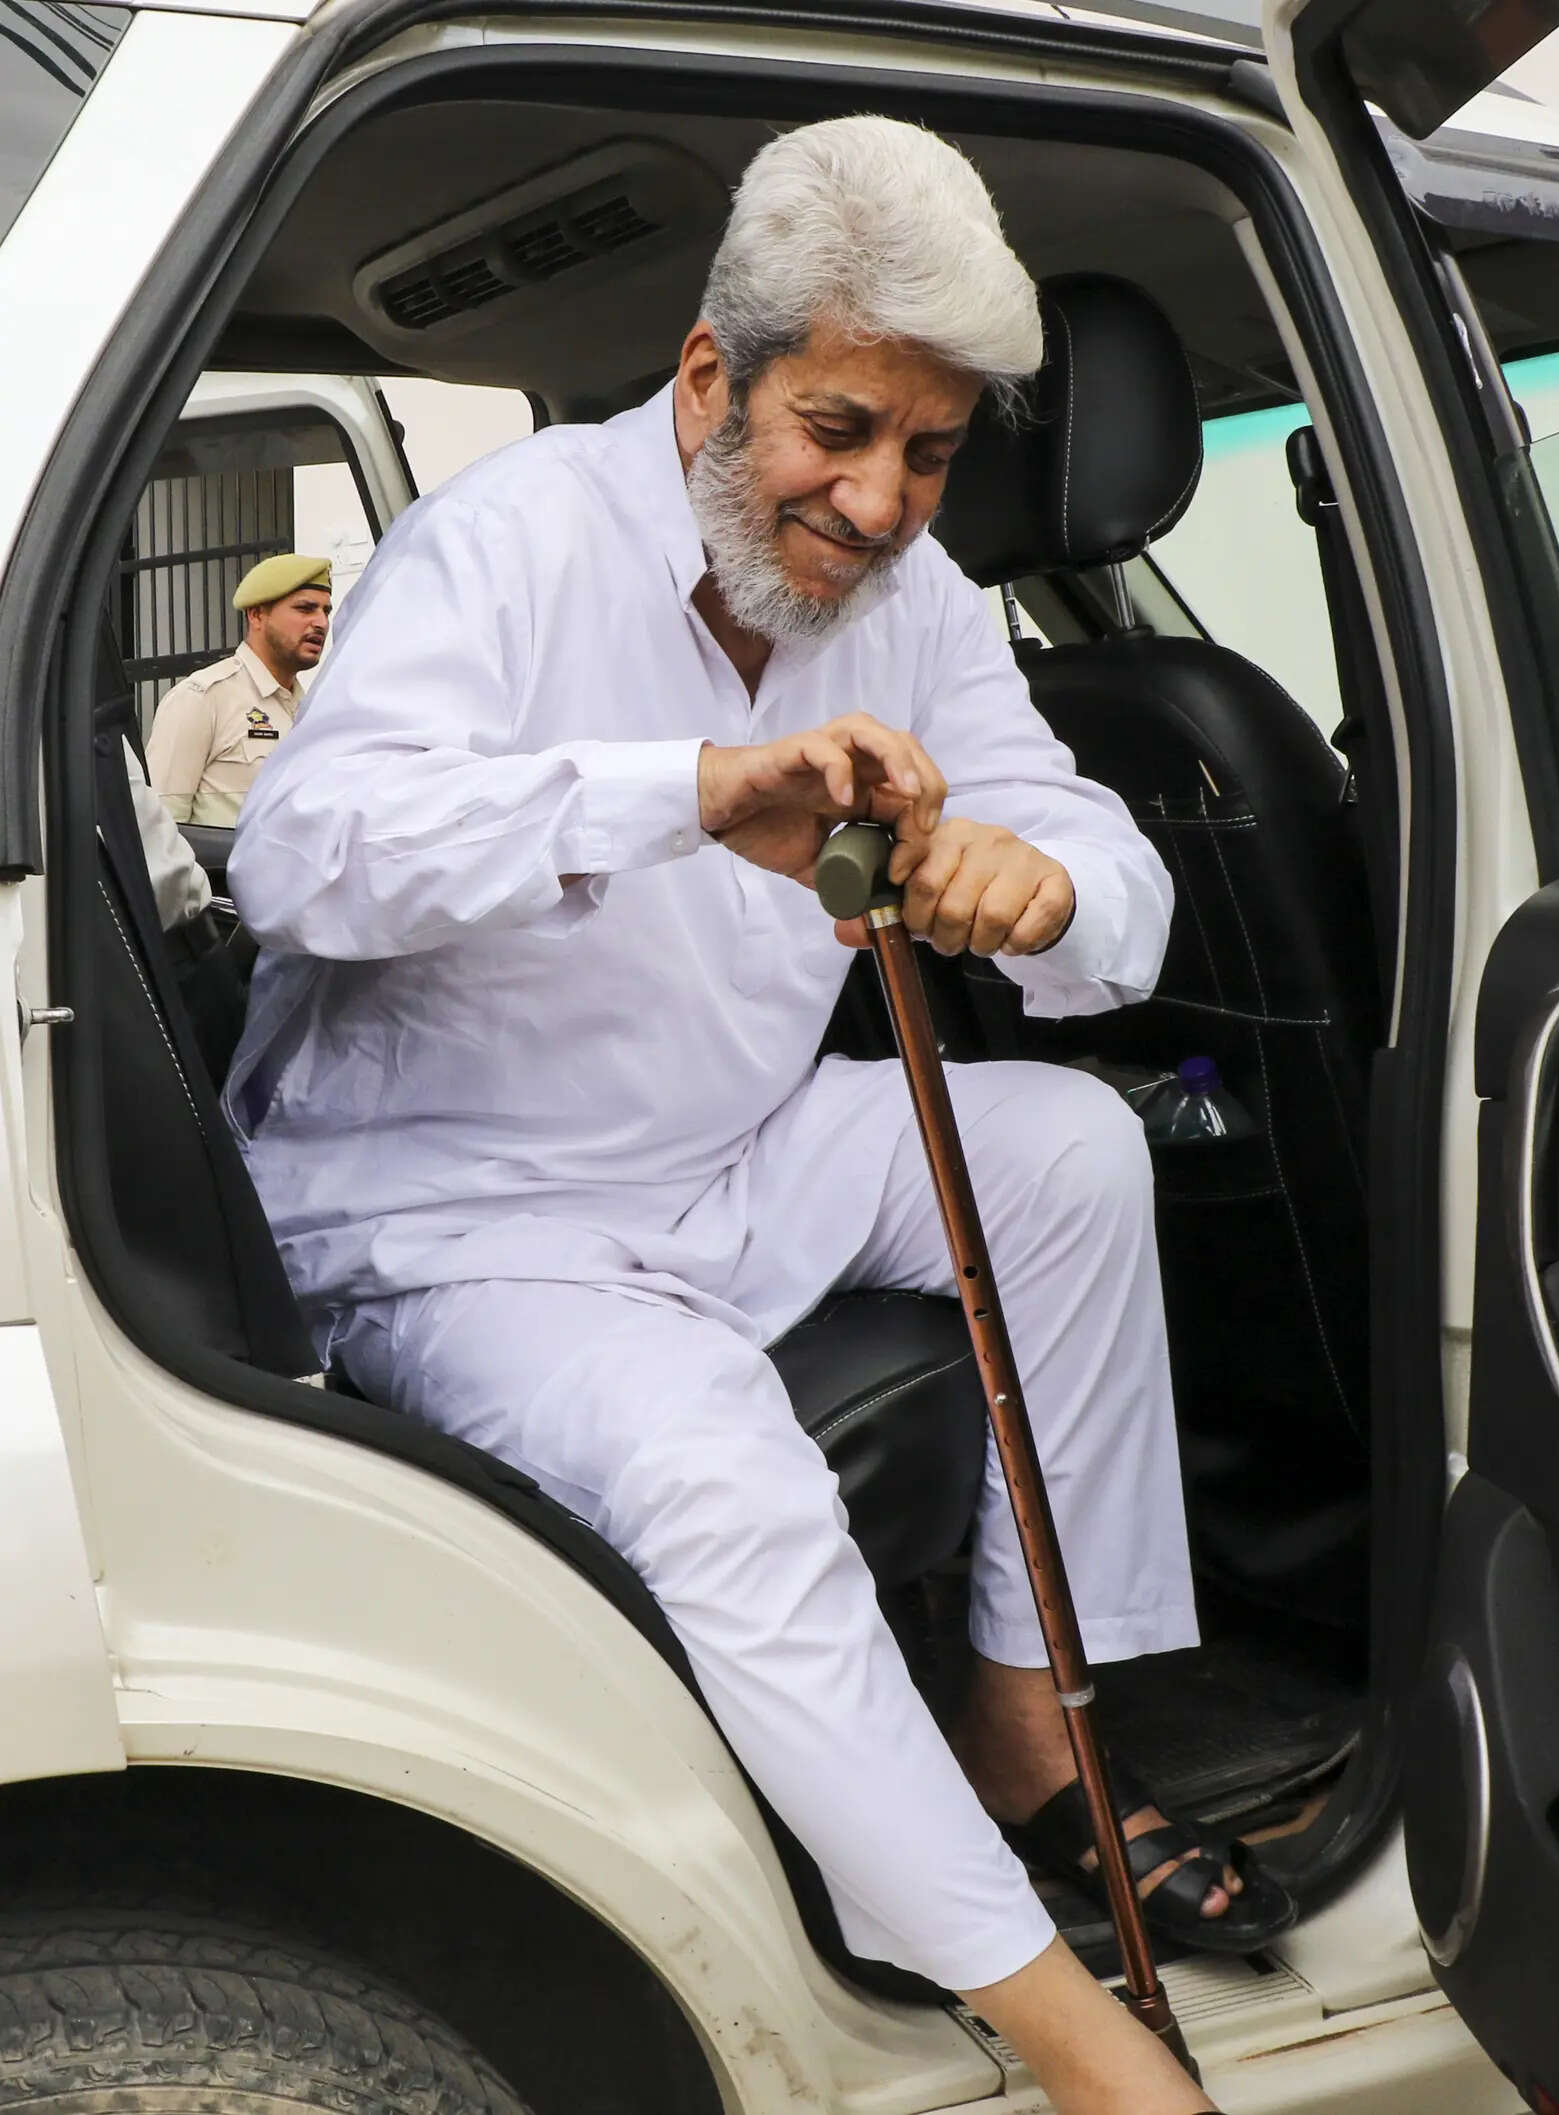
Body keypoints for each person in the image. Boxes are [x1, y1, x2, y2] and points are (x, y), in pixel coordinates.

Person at [226, 118, 1289, 2112]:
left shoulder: (917, 599)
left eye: (931, 453)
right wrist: (698, 790)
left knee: (1070, 1149)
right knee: (727, 1472)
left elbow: (1107, 881)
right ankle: (1078, 2045)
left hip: (720, 1160)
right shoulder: (512, 538)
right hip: (456, 1216)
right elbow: (304, 857)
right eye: (840, 430)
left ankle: (1024, 1737)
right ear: (712, 378)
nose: (879, 502)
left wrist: (1043, 884)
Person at [146, 554, 331, 825]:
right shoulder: (204, 698)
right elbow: (159, 825)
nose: (321, 623)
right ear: (256, 615)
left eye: (326, 611)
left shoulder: (312, 711)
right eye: (305, 609)